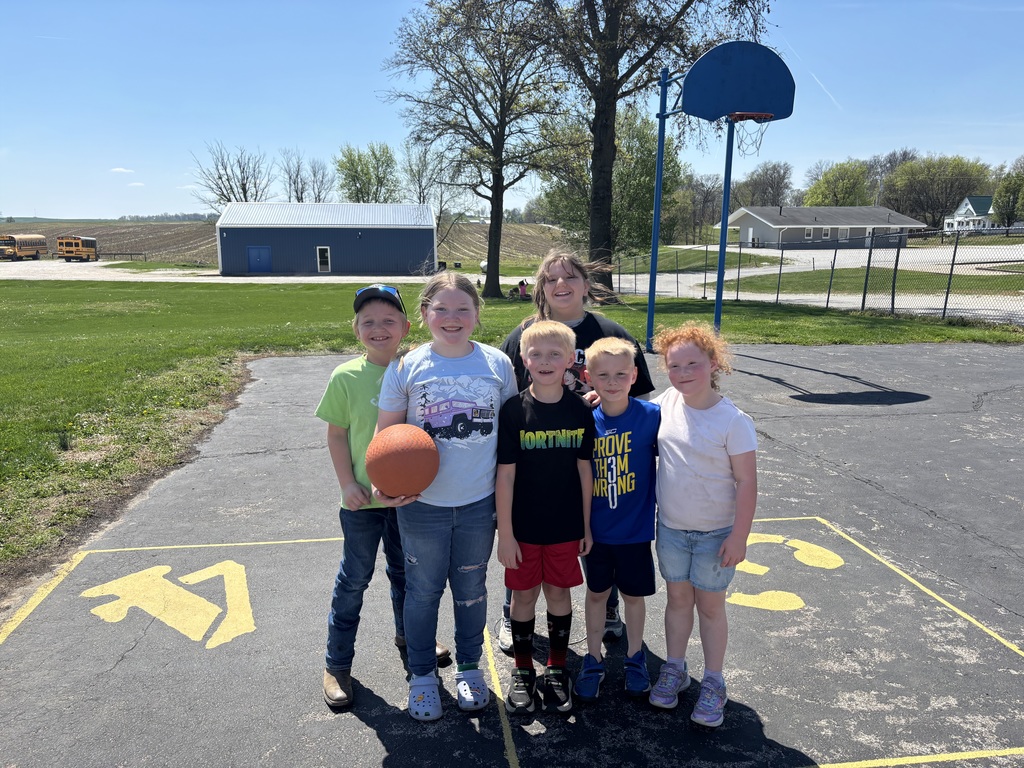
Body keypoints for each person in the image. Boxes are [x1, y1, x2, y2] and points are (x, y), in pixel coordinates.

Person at [496, 247, 655, 653]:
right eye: (551, 278)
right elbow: (510, 399)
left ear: (586, 285)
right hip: (538, 460)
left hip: (599, 458)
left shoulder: (610, 332)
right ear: (541, 288)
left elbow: (640, 395)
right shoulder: (524, 335)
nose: (561, 284)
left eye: (570, 277)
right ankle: (509, 608)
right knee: (527, 546)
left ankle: (610, 607)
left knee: (597, 537)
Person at [375, 273, 518, 722]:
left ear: (477, 313)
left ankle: (471, 667)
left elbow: (512, 437)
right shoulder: (407, 367)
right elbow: (386, 437)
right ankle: (421, 675)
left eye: (462, 309)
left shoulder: (497, 365)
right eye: (441, 309)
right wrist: (383, 481)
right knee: (422, 591)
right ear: (424, 315)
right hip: (422, 505)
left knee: (472, 589)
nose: (452, 318)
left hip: (479, 503)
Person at [317, 284, 451, 709]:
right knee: (353, 580)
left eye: (388, 321)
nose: (379, 328)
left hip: (406, 501)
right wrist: (347, 483)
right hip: (360, 504)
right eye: (368, 322)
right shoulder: (346, 377)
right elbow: (336, 435)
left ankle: (411, 645)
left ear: (406, 327)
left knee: (406, 579)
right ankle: (337, 664)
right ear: (356, 329)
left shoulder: (413, 372)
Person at [648, 323, 758, 728]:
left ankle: (714, 681)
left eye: (692, 363)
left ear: (713, 363)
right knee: (677, 601)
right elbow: (631, 409)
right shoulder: (666, 403)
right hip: (673, 529)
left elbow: (747, 481)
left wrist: (739, 536)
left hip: (715, 534)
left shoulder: (732, 421)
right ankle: (675, 668)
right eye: (674, 366)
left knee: (710, 608)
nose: (683, 373)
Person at [496, 321, 595, 714]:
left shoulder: (579, 411)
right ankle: (523, 670)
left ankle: (556, 667)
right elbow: (504, 474)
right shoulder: (513, 411)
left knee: (557, 592)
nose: (545, 361)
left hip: (565, 525)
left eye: (556, 354)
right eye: (536, 354)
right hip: (522, 528)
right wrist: (505, 533)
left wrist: (586, 525)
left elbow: (585, 470)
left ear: (571, 360)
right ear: (524, 359)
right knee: (523, 597)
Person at [573, 337, 660, 703]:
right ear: (588, 376)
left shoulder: (652, 417)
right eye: (603, 375)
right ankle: (592, 659)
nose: (612, 382)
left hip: (636, 532)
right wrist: (583, 527)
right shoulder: (583, 421)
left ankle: (635, 657)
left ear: (634, 375)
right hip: (597, 533)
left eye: (621, 374)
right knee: (595, 595)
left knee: (633, 597)